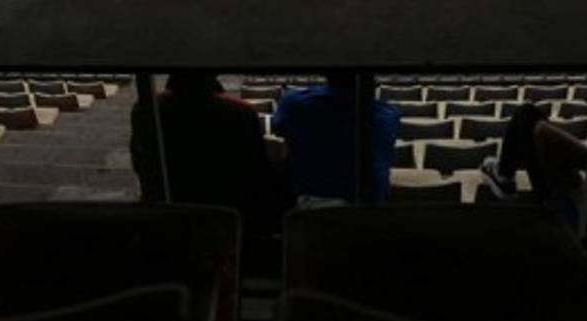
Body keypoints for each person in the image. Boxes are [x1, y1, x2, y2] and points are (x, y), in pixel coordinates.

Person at [131, 73, 285, 239]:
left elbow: (141, 162)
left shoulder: (148, 109)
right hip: (228, 214)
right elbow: (256, 169)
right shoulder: (241, 112)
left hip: (169, 216)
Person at [272, 74, 400, 203]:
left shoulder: (293, 103)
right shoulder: (389, 114)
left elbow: (278, 129)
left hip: (307, 205)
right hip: (367, 208)